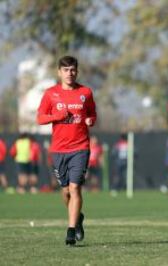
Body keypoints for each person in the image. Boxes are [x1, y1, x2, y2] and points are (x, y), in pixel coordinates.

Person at [37, 55, 97, 246]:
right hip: (58, 149)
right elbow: (40, 118)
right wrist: (56, 115)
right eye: (65, 70)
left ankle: (71, 230)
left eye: (72, 70)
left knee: (75, 187)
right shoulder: (50, 94)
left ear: (77, 72)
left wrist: (90, 120)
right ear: (59, 72)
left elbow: (92, 113)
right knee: (65, 192)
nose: (69, 73)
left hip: (80, 148)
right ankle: (78, 217)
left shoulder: (85, 92)